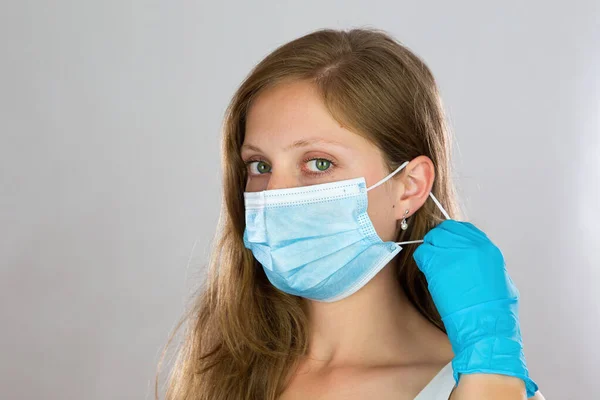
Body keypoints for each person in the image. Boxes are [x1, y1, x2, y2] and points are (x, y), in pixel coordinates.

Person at [156, 28, 545, 400]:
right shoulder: (217, 372)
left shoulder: (482, 382)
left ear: (409, 186)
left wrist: (491, 378)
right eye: (259, 165)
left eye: (319, 163)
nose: (273, 195)